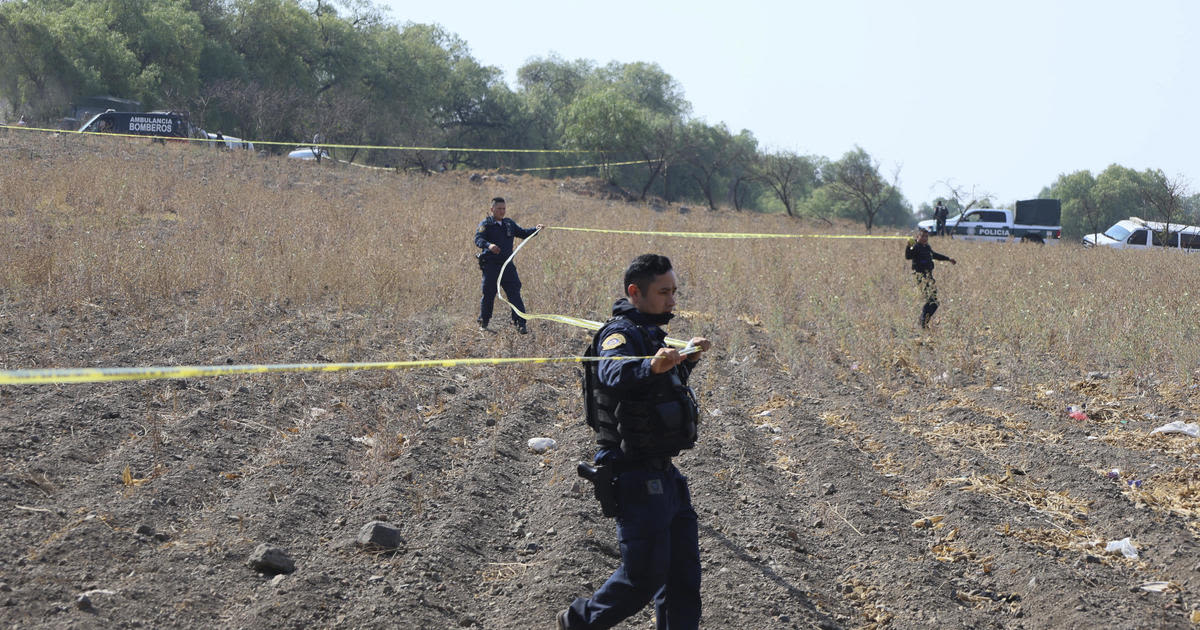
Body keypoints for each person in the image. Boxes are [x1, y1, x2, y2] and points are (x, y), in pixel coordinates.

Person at [559, 254, 712, 630]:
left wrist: (684, 358)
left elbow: (654, 390)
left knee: (682, 581)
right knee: (642, 579)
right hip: (634, 474)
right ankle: (577, 622)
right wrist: (651, 365)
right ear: (635, 292)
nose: (672, 301)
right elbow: (613, 372)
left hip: (667, 476)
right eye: (664, 292)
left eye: (674, 291)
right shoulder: (619, 334)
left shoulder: (651, 334)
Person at [473, 197, 542, 333]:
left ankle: (520, 323)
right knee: (488, 294)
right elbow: (478, 238)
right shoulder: (486, 224)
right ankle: (484, 322)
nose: (502, 211)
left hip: (507, 266)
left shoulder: (509, 224)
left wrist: (536, 229)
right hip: (491, 266)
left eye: (504, 209)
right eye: (499, 209)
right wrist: (489, 245)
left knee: (514, 293)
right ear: (492, 209)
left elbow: (523, 233)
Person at [905, 228, 956, 328]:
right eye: (922, 236)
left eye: (926, 236)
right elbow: (908, 256)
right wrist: (908, 246)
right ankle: (923, 322)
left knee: (934, 302)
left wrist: (948, 259)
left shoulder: (927, 247)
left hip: (929, 277)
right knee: (932, 302)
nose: (925, 238)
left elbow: (935, 255)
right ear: (917, 237)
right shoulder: (915, 247)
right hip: (921, 278)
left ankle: (923, 321)